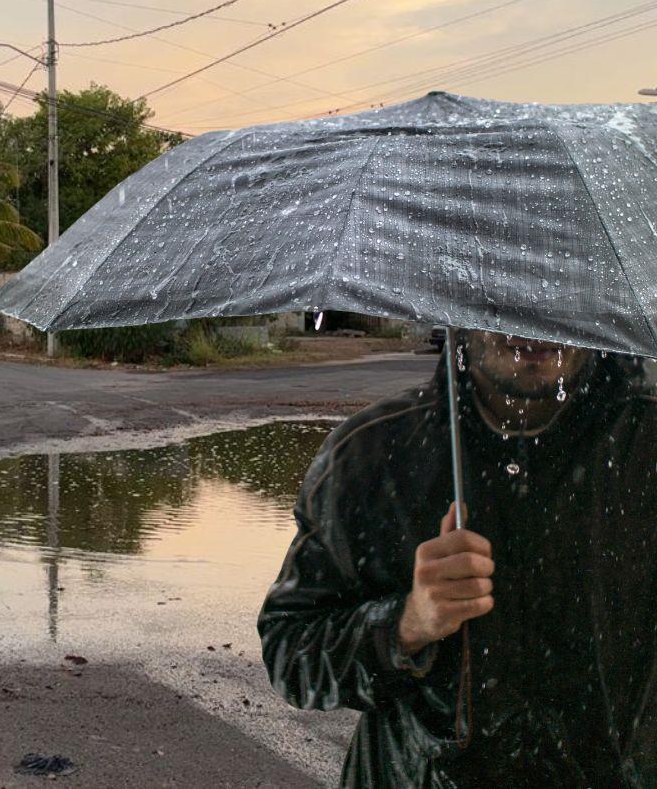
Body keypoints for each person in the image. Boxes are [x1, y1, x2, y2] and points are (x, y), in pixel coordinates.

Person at [258, 330, 657, 787]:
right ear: (458, 312)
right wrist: (406, 625)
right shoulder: (370, 457)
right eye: (504, 291)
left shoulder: (647, 449)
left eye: (553, 293)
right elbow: (291, 651)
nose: (533, 325)